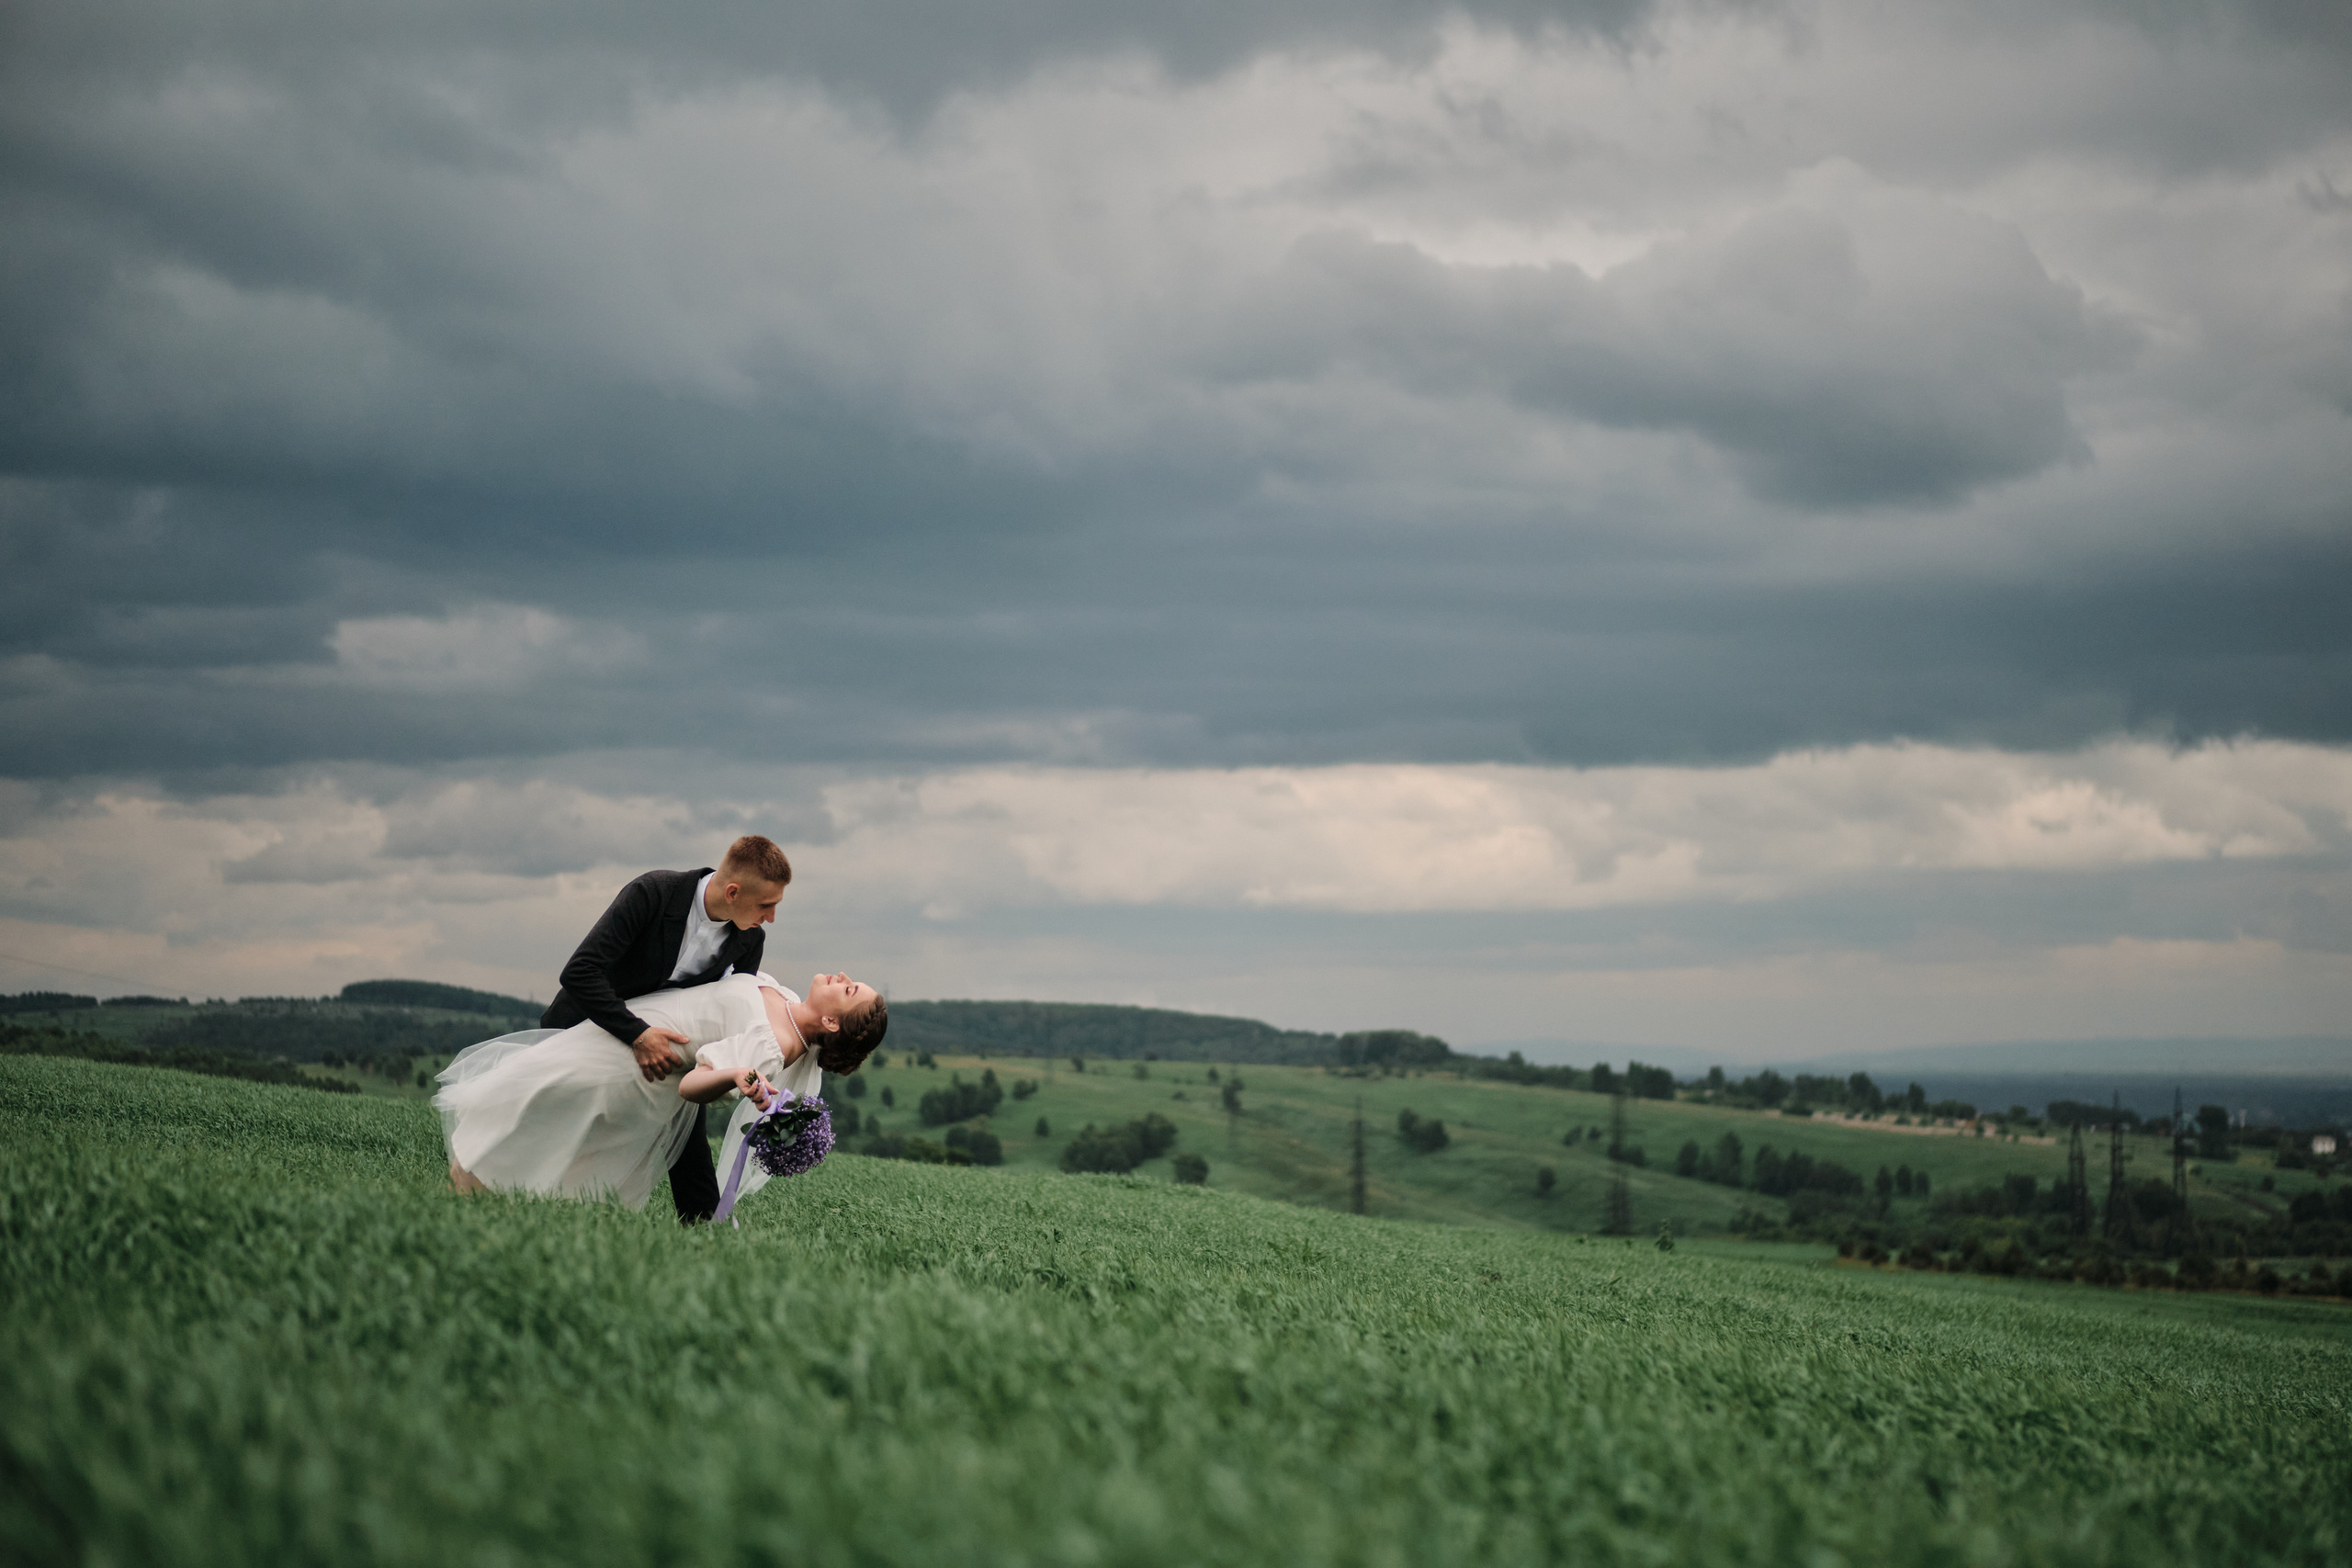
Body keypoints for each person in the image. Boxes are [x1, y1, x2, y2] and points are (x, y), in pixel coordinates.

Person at [437, 969, 887, 1213]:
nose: (841, 975)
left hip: (629, 1070)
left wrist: (734, 1075)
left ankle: (463, 1207)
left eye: (849, 989)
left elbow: (692, 1087)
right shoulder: (782, 996)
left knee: (532, 1114)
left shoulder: (771, 1048)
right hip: (626, 1035)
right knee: (529, 1110)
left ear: (832, 1022)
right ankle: (468, 1203)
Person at [538, 836, 791, 1222]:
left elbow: (736, 1014)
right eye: (766, 905)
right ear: (733, 892)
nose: (771, 917)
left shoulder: (750, 940)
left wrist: (740, 1075)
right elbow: (580, 972)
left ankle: (707, 1228)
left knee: (688, 1122)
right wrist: (639, 1035)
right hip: (581, 1030)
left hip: (670, 1055)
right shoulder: (653, 893)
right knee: (552, 1132)